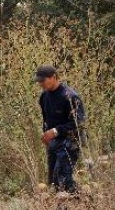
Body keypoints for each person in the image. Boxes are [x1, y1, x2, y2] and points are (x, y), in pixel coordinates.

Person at [36, 65, 86, 193]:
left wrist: (55, 131)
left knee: (61, 178)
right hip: (54, 143)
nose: (41, 83)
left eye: (43, 80)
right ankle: (83, 202)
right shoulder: (44, 97)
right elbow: (46, 119)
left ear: (53, 77)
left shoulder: (70, 97)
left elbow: (78, 123)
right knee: (54, 181)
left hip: (70, 142)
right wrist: (46, 135)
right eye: (39, 81)